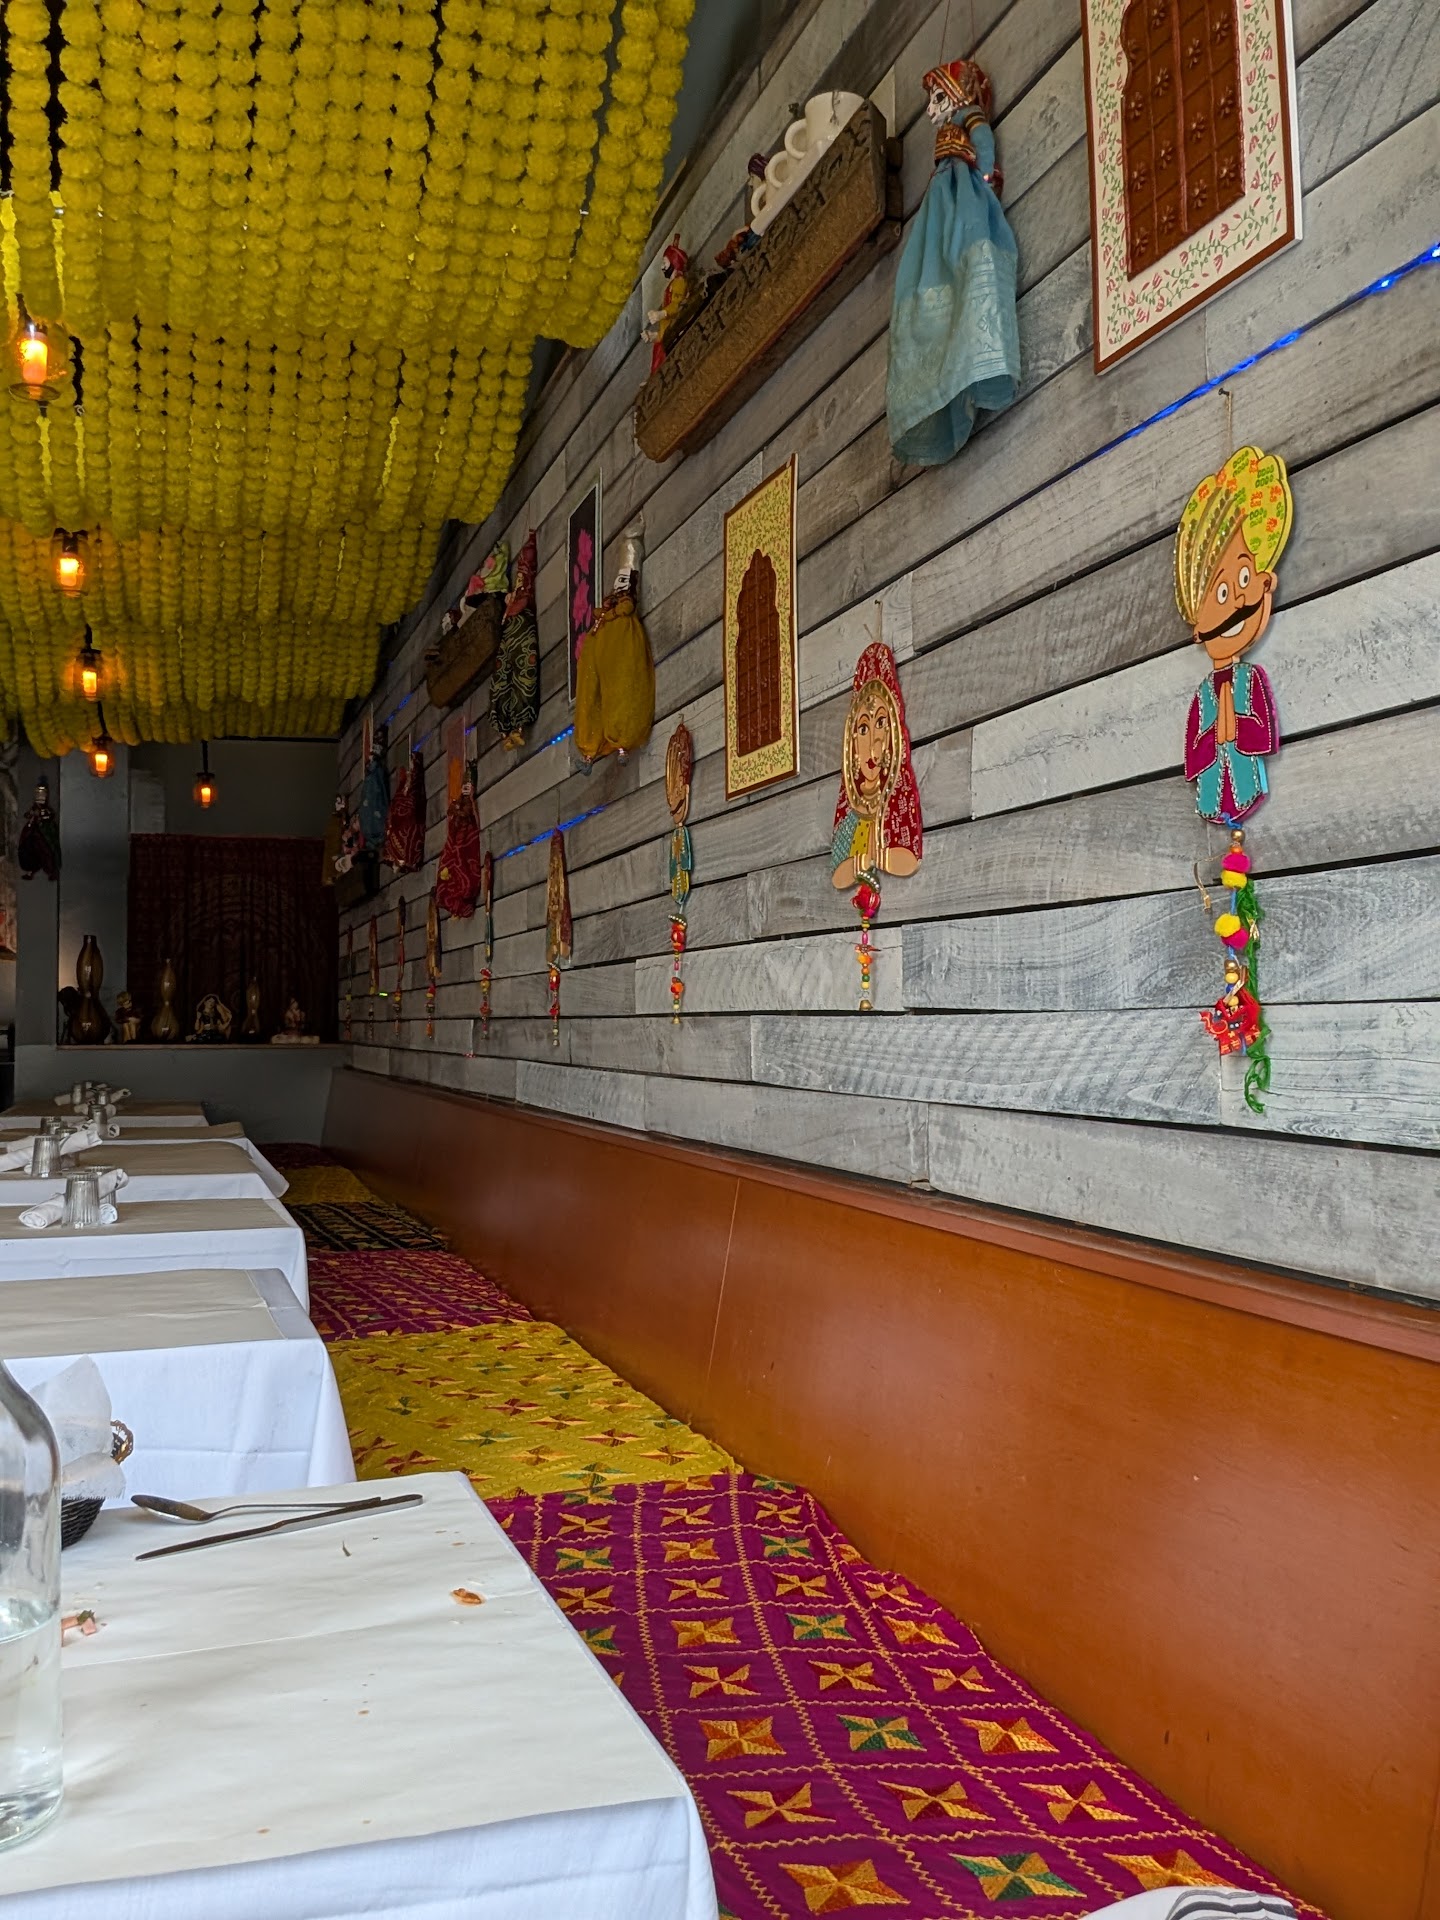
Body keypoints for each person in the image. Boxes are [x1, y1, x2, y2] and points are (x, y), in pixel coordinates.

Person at [887, 60, 1018, 466]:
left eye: (939, 98)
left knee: (967, 266)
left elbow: (984, 146)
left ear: (960, 95)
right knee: (925, 285)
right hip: (940, 212)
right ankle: (941, 374)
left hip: (964, 205)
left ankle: (971, 361)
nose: (931, 110)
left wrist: (984, 180)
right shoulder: (948, 138)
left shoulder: (971, 117)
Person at [1176, 446, 1293, 824]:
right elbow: (1194, 755)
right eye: (1224, 592)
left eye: (1245, 576)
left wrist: (1236, 727)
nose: (1241, 599)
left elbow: (1263, 736)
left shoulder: (1249, 678)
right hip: (1213, 797)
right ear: (1199, 629)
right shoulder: (1203, 694)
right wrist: (1216, 732)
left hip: (1247, 787)